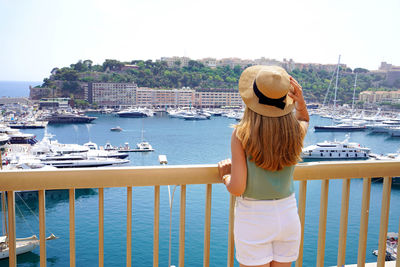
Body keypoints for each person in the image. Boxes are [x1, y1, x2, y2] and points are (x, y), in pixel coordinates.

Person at [218, 65, 309, 267]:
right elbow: (303, 119)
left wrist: (225, 176)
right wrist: (300, 103)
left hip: (253, 218)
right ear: (286, 99)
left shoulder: (241, 135)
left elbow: (237, 188)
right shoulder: (295, 131)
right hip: (287, 215)